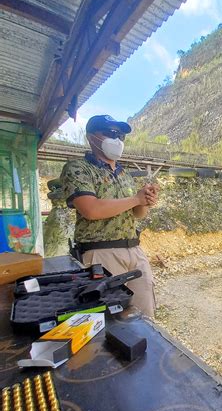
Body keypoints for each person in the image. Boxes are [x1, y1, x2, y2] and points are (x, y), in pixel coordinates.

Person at [60, 115, 158, 318]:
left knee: (144, 317)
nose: (117, 139)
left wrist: (144, 201)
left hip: (134, 251)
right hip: (101, 253)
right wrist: (135, 198)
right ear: (91, 137)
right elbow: (91, 209)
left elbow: (137, 214)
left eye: (120, 135)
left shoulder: (124, 175)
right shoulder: (78, 169)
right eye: (110, 133)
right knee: (108, 319)